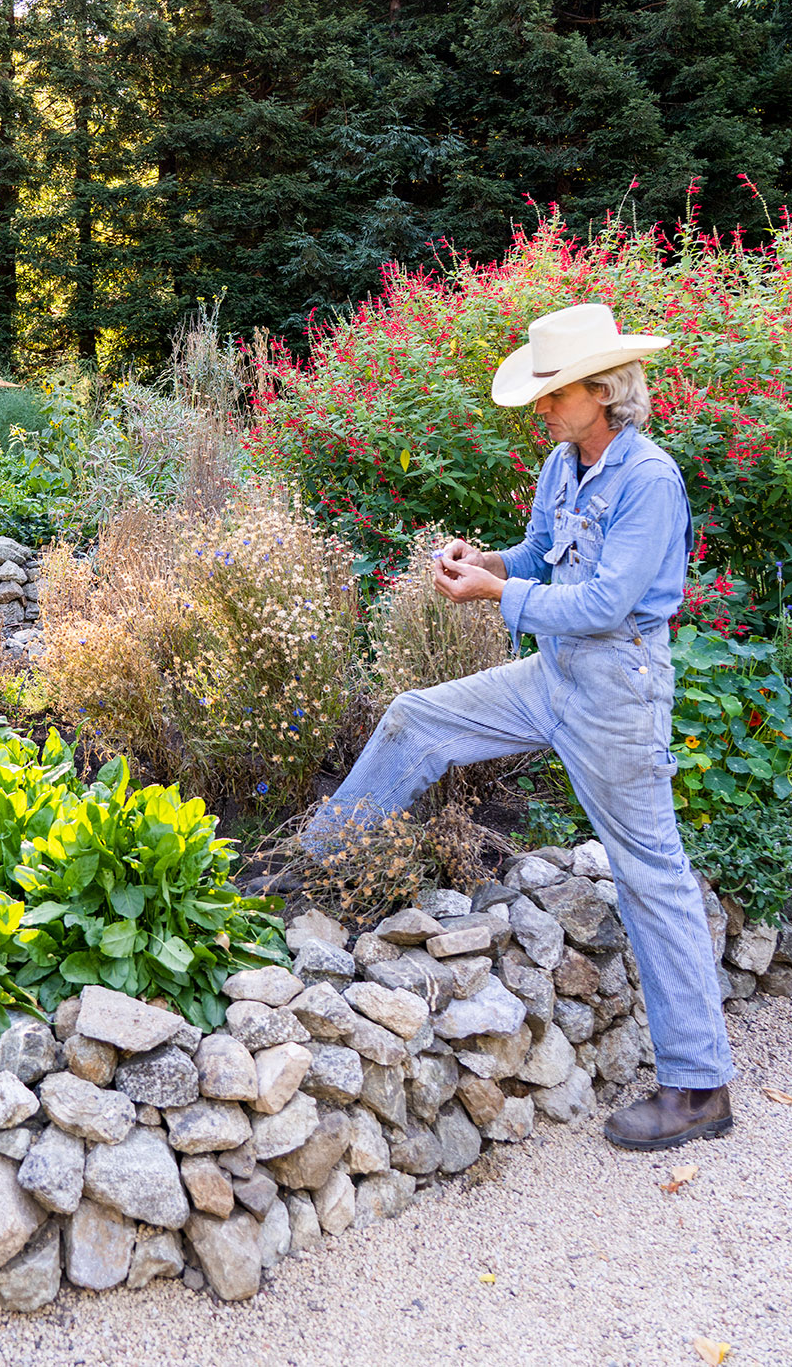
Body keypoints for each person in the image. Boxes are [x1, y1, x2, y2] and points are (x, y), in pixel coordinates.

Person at [307, 301, 734, 1151]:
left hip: (617, 686)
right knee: (414, 719)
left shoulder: (649, 479)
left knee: (650, 872)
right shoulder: (563, 463)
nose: (540, 407)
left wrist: (497, 596)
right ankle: (311, 862)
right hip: (554, 672)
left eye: (553, 391)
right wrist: (488, 562)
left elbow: (609, 600)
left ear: (604, 389)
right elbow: (543, 555)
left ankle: (700, 1086)